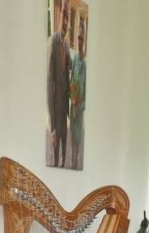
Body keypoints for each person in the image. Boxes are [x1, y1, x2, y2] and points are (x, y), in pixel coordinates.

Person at [47, 1, 71, 167]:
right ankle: (56, 161)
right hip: (55, 106)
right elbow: (49, 81)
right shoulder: (53, 42)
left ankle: (62, 161)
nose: (65, 21)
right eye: (63, 15)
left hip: (64, 107)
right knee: (54, 154)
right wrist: (51, 124)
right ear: (58, 15)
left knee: (64, 146)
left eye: (67, 17)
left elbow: (67, 71)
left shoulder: (67, 46)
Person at [68, 19, 87, 169]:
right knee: (72, 147)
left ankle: (76, 162)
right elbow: (71, 83)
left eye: (82, 38)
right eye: (78, 38)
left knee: (77, 142)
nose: (79, 41)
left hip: (79, 112)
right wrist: (71, 98)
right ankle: (73, 161)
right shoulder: (74, 60)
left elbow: (87, 99)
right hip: (72, 109)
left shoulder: (85, 65)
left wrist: (78, 107)